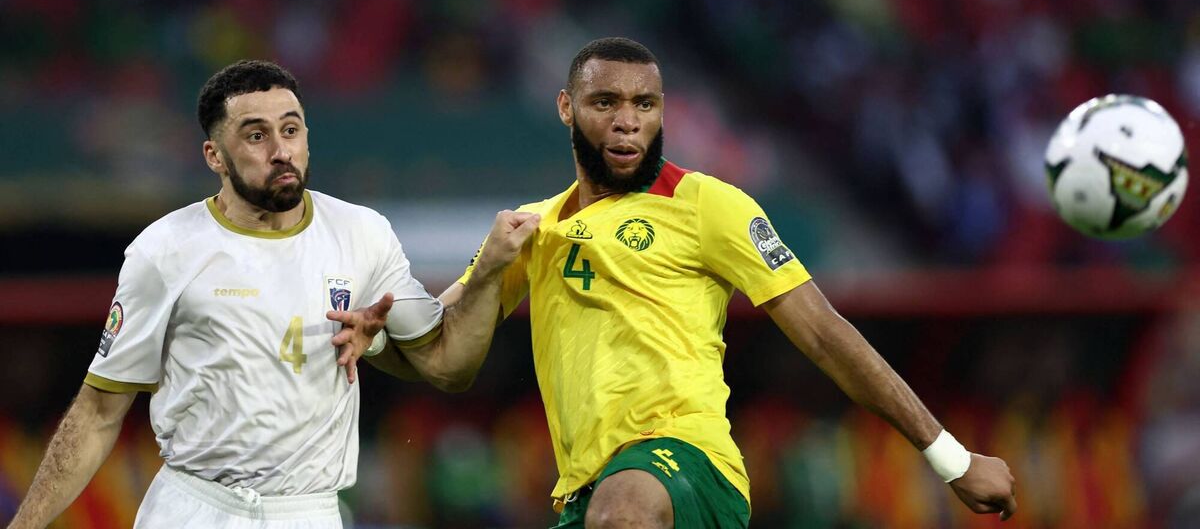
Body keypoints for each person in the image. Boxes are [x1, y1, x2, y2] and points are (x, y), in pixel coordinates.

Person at [345, 37, 1018, 528]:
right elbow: (443, 356)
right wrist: (375, 338)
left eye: (644, 103)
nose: (628, 120)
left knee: (624, 510)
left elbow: (823, 332)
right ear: (566, 108)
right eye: (605, 102)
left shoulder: (708, 205)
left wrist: (951, 459)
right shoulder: (532, 229)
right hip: (585, 494)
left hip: (688, 468)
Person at [6, 59, 538, 529]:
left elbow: (449, 365)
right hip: (195, 507)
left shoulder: (362, 234)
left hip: (310, 511)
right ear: (214, 155)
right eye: (256, 135)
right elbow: (98, 412)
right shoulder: (164, 250)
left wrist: (487, 272)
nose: (281, 151)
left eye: (291, 129)